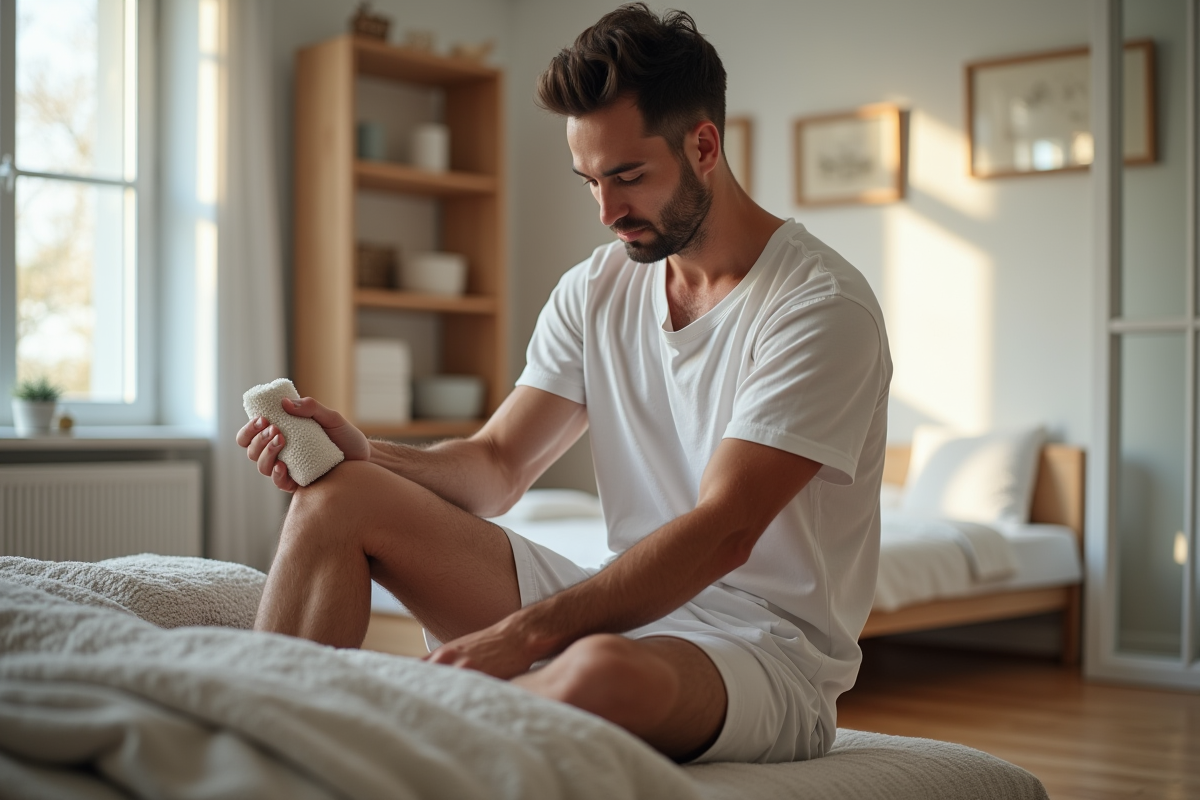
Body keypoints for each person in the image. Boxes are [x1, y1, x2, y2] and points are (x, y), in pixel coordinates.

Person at [237, 3, 891, 764]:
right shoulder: (596, 288)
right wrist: (367, 453)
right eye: (588, 180)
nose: (608, 210)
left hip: (762, 652)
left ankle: (375, 732)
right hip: (624, 600)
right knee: (338, 497)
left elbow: (726, 533)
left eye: (627, 176)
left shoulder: (819, 307)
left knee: (599, 671)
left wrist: (523, 637)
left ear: (704, 145)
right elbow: (496, 468)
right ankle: (253, 742)